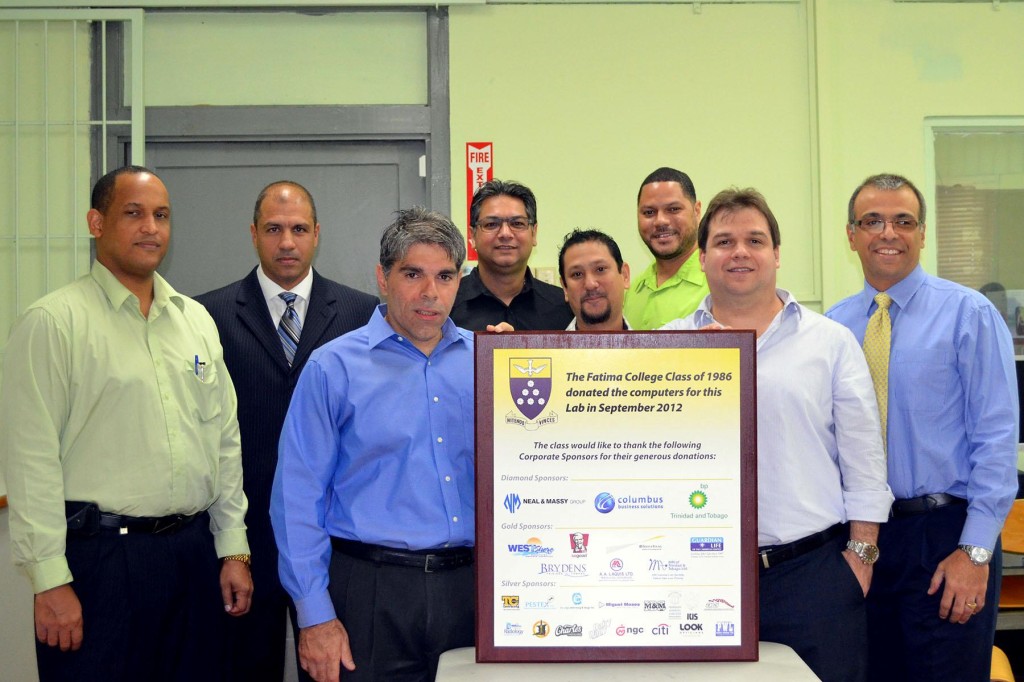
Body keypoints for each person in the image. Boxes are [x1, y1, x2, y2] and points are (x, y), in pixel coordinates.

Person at [0, 166, 252, 682]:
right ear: (97, 222)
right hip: (99, 563)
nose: (151, 228)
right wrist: (49, 581)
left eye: (161, 215)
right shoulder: (52, 323)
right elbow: (31, 461)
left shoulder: (194, 321)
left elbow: (224, 442)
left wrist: (232, 547)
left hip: (191, 554)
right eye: (133, 213)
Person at [663, 187, 892, 682]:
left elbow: (864, 457)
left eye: (755, 240)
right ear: (702, 258)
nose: (740, 252)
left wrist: (861, 557)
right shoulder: (670, 342)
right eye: (724, 241)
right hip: (698, 578)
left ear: (777, 255)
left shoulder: (830, 342)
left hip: (812, 577)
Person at [827, 173, 1019, 681]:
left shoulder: (969, 315)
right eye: (872, 221)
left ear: (923, 233)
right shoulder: (832, 328)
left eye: (903, 221)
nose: (888, 233)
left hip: (945, 539)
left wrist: (974, 552)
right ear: (851, 235)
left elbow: (997, 442)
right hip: (860, 538)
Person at [271, 207, 475, 682]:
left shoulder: (487, 364)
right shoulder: (332, 368)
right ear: (383, 278)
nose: (430, 292)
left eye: (445, 276)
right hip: (367, 592)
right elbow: (296, 500)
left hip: (468, 592)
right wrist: (315, 616)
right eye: (412, 274)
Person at [196, 180, 377, 681]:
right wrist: (228, 540)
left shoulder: (363, 315)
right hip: (243, 536)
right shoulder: (206, 315)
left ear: (318, 234)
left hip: (335, 540)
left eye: (299, 229)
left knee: (332, 668)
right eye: (274, 229)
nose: (287, 243)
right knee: (243, 667)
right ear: (253, 234)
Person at [449, 179, 573, 330]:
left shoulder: (565, 308)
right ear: (473, 236)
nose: (505, 234)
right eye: (491, 224)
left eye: (517, 224)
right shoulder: (447, 304)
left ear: (534, 233)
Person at [623, 166, 709, 329]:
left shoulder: (718, 283)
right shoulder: (634, 290)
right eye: (649, 212)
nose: (660, 221)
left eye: (673, 209)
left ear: (697, 211)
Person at [558, 228, 632, 330]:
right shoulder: (543, 346)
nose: (590, 284)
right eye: (577, 274)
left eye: (600, 269)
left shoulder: (653, 346)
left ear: (625, 275)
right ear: (565, 288)